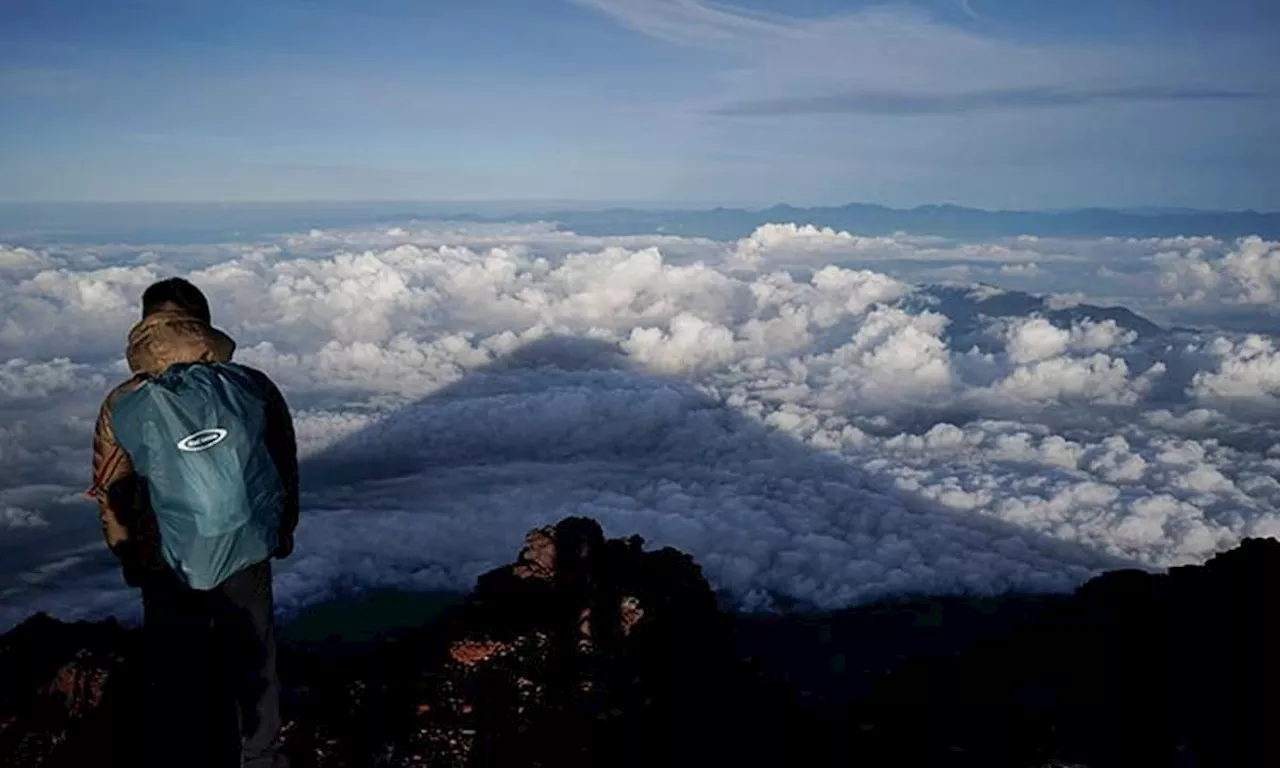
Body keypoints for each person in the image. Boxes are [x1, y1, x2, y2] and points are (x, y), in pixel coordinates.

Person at [87, 277, 299, 768]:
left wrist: (129, 554)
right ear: (201, 322)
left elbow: (110, 487)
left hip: (167, 557)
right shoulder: (250, 384)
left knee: (176, 667)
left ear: (144, 324)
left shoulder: (124, 401)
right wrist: (281, 529)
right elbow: (282, 462)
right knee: (254, 660)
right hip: (247, 543)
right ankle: (260, 756)